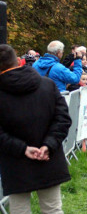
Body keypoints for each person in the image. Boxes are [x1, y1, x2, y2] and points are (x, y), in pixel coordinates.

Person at [0, 44, 71, 213]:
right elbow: (62, 119)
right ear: (18, 61)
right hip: (47, 157)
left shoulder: (46, 84)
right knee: (52, 209)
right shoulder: (48, 85)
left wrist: (23, 149)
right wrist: (49, 145)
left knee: (20, 210)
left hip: (15, 161)